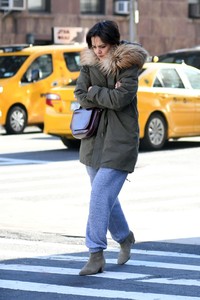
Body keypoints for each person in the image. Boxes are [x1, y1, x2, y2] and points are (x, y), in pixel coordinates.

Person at [74, 20, 148, 276]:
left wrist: (96, 91)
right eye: (94, 46)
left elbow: (121, 99)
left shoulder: (129, 64)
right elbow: (80, 93)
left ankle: (95, 254)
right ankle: (125, 237)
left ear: (114, 43)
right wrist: (101, 91)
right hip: (93, 141)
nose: (98, 51)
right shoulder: (88, 63)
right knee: (105, 196)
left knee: (99, 195)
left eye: (102, 46)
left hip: (120, 141)